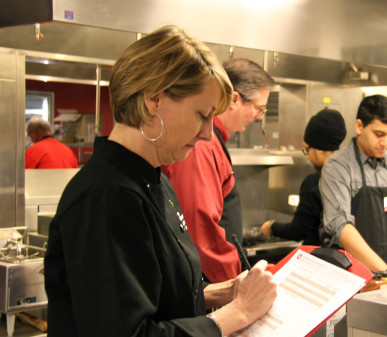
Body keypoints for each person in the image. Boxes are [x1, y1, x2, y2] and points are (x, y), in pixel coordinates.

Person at [44, 26, 277, 337]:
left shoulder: (155, 180)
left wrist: (227, 291)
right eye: (201, 114)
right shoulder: (107, 197)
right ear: (154, 100)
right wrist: (238, 312)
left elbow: (157, 295)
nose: (208, 133)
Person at [162, 58, 274, 283]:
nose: (259, 117)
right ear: (234, 99)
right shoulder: (202, 145)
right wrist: (233, 284)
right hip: (204, 281)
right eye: (259, 108)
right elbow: (200, 228)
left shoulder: (212, 142)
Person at [319, 95, 387, 280]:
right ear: (359, 126)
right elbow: (340, 227)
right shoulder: (338, 166)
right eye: (379, 134)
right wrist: (385, 272)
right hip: (349, 275)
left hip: (384, 273)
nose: (385, 142)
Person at [260, 108, 347, 245]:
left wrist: (272, 226)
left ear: (319, 149)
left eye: (307, 149)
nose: (306, 155)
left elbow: (299, 230)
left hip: (321, 259)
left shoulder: (315, 182)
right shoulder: (349, 175)